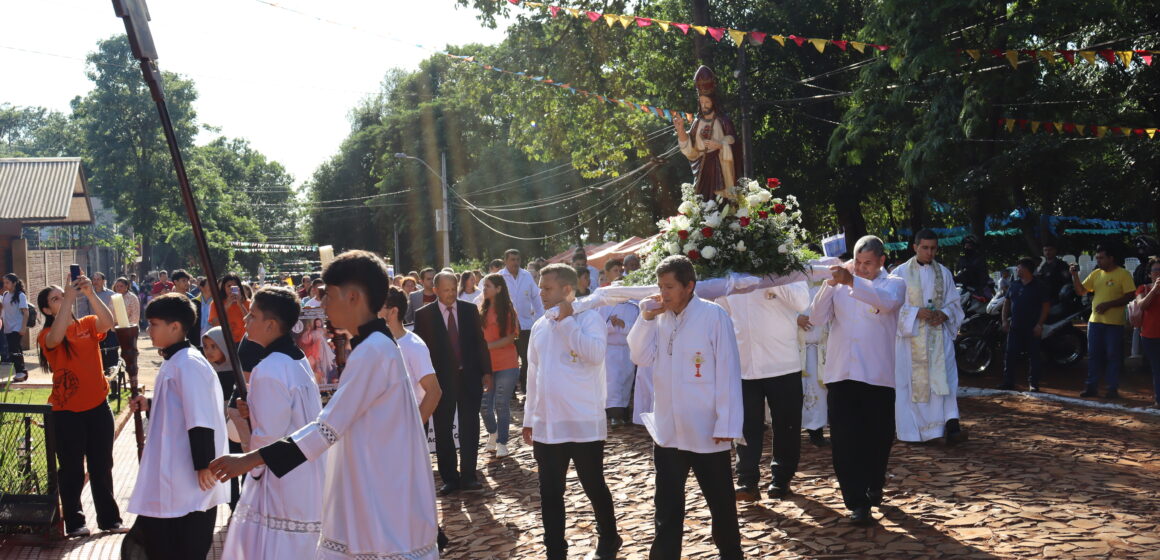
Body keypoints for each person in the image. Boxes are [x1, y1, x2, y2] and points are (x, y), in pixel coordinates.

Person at [209, 250, 439, 559]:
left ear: (354, 297)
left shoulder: (373, 352)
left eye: (329, 296)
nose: (324, 305)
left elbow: (327, 428)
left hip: (382, 487)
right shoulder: (377, 346)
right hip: (379, 477)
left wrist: (250, 459)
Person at [626, 255, 743, 560]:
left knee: (721, 504)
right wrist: (645, 318)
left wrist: (727, 425)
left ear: (689, 286)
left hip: (707, 429)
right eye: (660, 286)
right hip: (668, 431)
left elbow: (729, 372)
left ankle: (731, 554)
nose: (663, 293)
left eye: (669, 287)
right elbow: (639, 356)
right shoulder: (659, 318)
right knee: (666, 505)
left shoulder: (714, 316)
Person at [523, 264, 621, 560]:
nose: (541, 293)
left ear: (567, 290)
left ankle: (609, 536)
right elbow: (533, 374)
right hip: (548, 425)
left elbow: (593, 354)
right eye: (540, 287)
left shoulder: (590, 319)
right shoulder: (539, 325)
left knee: (593, 484)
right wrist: (529, 418)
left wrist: (567, 322)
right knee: (550, 492)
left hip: (582, 422)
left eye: (547, 288)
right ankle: (555, 549)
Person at [809, 236, 906, 526]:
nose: (862, 268)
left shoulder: (894, 283)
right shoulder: (840, 283)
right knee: (844, 441)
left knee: (878, 437)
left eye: (868, 264)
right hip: (841, 374)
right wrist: (830, 284)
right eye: (858, 262)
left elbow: (885, 303)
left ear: (881, 261)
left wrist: (852, 281)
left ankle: (874, 483)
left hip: (877, 376)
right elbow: (815, 317)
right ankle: (856, 502)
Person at [221, 287, 325, 558]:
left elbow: (268, 438)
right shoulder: (297, 359)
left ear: (271, 324)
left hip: (281, 479)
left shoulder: (268, 369)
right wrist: (252, 412)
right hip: (307, 471)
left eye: (252, 315)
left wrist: (249, 468)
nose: (245, 321)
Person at [121, 293, 225, 558]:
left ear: (175, 327)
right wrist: (151, 403)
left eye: (154, 323)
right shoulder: (176, 361)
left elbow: (199, 417)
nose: (148, 330)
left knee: (183, 546)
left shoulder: (188, 363)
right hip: (173, 475)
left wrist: (204, 464)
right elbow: (179, 406)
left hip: (187, 478)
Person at [37, 278, 125, 537]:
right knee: (72, 469)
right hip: (66, 413)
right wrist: (67, 298)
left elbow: (108, 323)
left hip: (98, 407)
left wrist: (89, 292)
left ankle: (110, 520)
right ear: (46, 310)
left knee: (102, 465)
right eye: (55, 299)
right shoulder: (46, 336)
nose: (62, 299)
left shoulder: (87, 324)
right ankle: (75, 523)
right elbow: (55, 337)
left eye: (62, 296)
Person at [719, 281, 810, 501]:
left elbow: (802, 301)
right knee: (746, 425)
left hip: (783, 363)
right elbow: (723, 309)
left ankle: (781, 479)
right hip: (744, 366)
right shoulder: (731, 276)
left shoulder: (786, 272)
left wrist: (773, 278)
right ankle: (747, 481)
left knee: (786, 425)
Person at [414, 271, 493, 494]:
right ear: (436, 290)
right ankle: (449, 478)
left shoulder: (469, 310)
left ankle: (469, 476)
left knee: (470, 426)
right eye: (445, 290)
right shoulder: (424, 315)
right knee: (442, 428)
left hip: (469, 377)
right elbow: (422, 351)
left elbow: (480, 342)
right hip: (439, 382)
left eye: (452, 289)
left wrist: (487, 372)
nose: (449, 294)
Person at [893, 230, 967, 444]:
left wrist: (945, 314)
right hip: (911, 339)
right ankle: (913, 432)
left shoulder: (944, 273)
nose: (930, 252)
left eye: (933, 248)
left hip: (938, 338)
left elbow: (954, 303)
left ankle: (948, 427)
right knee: (911, 384)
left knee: (946, 381)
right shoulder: (899, 274)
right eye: (925, 248)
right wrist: (915, 312)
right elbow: (890, 307)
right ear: (915, 247)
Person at [1072, 245, 1136, 399]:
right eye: (1097, 258)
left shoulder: (1123, 274)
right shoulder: (1096, 274)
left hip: (1114, 323)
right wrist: (1074, 275)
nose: (1098, 261)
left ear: (1110, 258)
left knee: (1112, 356)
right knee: (1094, 355)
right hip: (1095, 322)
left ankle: (1112, 388)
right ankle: (1091, 387)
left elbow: (1130, 295)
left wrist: (1108, 304)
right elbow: (1081, 291)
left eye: (1101, 258)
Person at [674, 65, 743, 200]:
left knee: (722, 202)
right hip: (702, 166)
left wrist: (720, 144)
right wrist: (681, 130)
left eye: (707, 102)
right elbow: (690, 149)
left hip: (721, 168)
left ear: (713, 102)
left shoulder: (723, 120)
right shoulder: (697, 122)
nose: (704, 105)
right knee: (703, 202)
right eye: (701, 102)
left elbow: (734, 142)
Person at [381, 286, 442, 424]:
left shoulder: (414, 345)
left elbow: (434, 391)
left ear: (393, 311)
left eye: (378, 307)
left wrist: (414, 428)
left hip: (406, 427)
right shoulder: (377, 343)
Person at [478, 274, 520, 457]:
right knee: (484, 405)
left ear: (499, 289)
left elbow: (511, 337)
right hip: (486, 366)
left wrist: (487, 346)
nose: (484, 289)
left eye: (487, 286)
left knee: (501, 403)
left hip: (507, 364)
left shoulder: (508, 311)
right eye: (484, 286)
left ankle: (502, 442)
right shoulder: (482, 309)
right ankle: (493, 433)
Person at [1001, 258, 1051, 392]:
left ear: (1026, 270)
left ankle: (1033, 383)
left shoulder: (1039, 286)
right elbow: (1007, 303)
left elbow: (1046, 306)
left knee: (1034, 355)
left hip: (1032, 327)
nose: (1017, 270)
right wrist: (1005, 320)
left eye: (1018, 268)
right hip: (1015, 326)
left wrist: (1039, 324)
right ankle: (1008, 381)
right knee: (1010, 354)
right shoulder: (1014, 284)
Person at [500, 249, 545, 394]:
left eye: (518, 259)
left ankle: (526, 390)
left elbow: (537, 300)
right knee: (509, 360)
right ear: (506, 261)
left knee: (527, 359)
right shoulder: (499, 277)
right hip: (505, 327)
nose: (515, 262)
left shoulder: (526, 276)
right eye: (512, 259)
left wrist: (539, 320)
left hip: (525, 325)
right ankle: (510, 391)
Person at [797, 279, 830, 447]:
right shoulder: (791, 284)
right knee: (796, 391)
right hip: (796, 349)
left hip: (821, 348)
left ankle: (816, 430)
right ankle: (793, 429)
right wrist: (796, 319)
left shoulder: (824, 284)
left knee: (819, 392)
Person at [599, 295, 639, 427]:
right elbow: (598, 328)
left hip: (627, 348)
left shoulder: (634, 307)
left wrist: (623, 324)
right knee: (613, 382)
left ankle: (624, 412)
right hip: (610, 349)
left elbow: (639, 328)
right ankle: (614, 415)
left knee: (626, 380)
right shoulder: (605, 306)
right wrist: (611, 324)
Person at [1133, 256, 1160, 408]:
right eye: (1155, 270)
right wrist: (1154, 290)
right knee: (1157, 368)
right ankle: (1159, 400)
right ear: (1149, 274)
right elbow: (1142, 305)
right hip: (1150, 335)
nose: (1158, 273)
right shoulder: (1143, 288)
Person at [2, 273, 30, 382]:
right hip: (8, 327)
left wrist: (23, 328)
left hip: (17, 327)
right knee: (13, 350)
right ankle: (21, 372)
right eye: (4, 282)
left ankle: (21, 372)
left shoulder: (20, 295)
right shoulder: (5, 294)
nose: (5, 285)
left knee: (15, 349)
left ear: (14, 283)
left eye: (7, 282)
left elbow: (26, 313)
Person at [210, 274, 250, 344]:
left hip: (244, 342)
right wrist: (226, 306)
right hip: (224, 342)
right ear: (224, 288)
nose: (231, 289)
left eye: (234, 286)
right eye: (229, 286)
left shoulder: (248, 302)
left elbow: (250, 323)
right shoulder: (216, 303)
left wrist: (240, 304)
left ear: (239, 288)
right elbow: (215, 324)